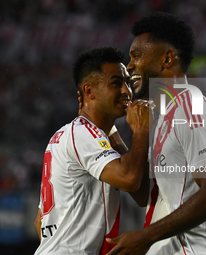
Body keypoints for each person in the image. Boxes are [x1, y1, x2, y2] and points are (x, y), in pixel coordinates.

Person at [106, 12, 206, 255]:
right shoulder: (163, 116)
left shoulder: (192, 107)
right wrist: (119, 132)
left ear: (167, 58)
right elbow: (145, 194)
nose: (130, 65)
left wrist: (145, 236)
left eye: (137, 56)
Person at [33, 46, 153, 255]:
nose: (127, 91)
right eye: (116, 83)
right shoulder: (83, 134)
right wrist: (142, 130)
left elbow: (142, 195)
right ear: (89, 91)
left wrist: (110, 130)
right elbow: (130, 179)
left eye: (127, 82)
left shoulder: (75, 134)